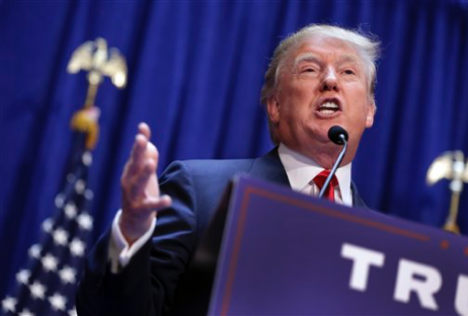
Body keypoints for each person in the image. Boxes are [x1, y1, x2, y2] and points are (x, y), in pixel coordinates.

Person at [76, 24, 380, 316]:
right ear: (274, 105)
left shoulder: (381, 245)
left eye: (348, 71)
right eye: (310, 69)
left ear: (369, 111)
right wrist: (131, 234)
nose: (330, 80)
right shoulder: (200, 192)